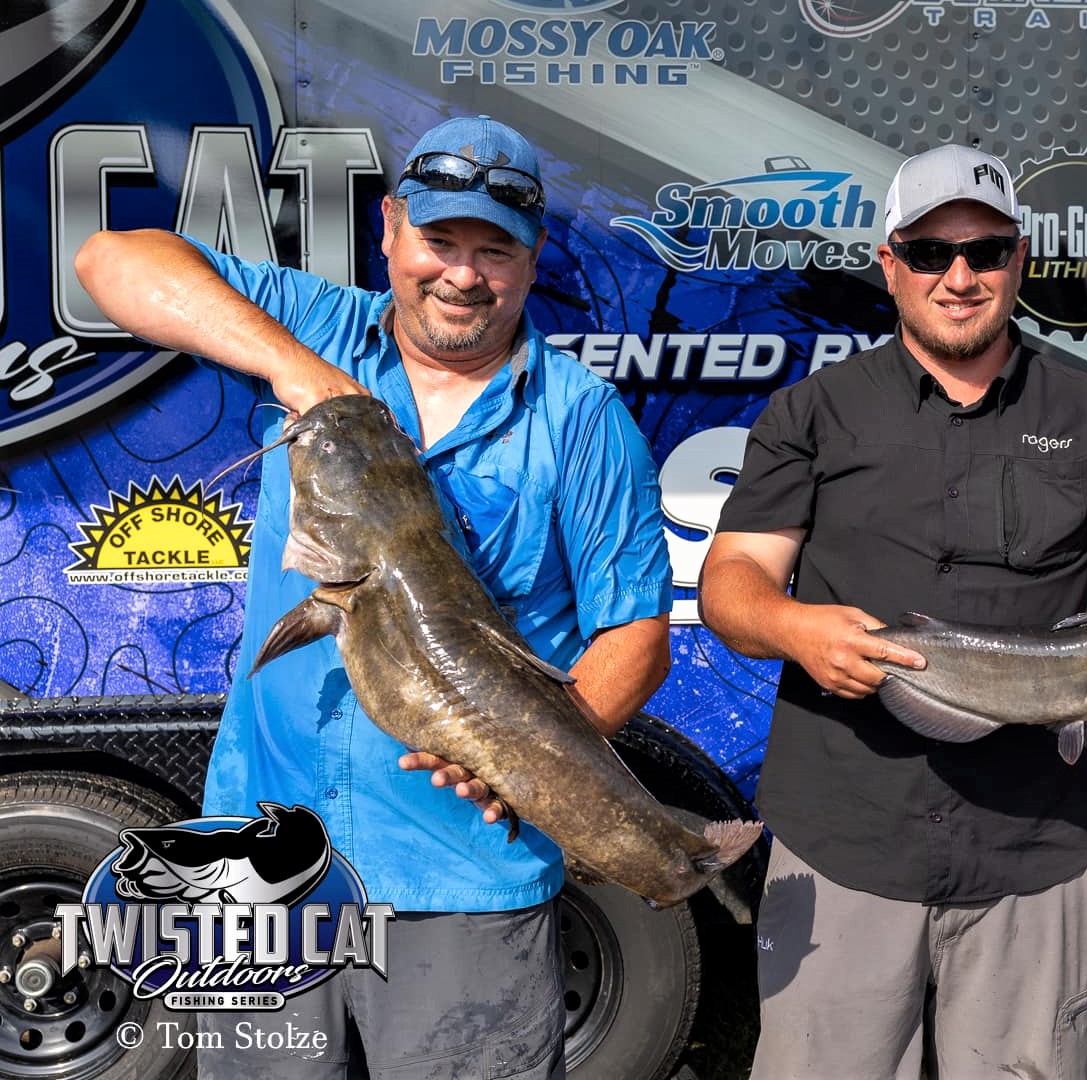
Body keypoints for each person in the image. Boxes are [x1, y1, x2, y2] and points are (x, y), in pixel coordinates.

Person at [75, 115, 673, 1079]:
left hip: (463, 877)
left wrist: (530, 762)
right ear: (390, 229)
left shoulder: (582, 418)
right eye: (439, 242)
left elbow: (636, 635)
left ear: (533, 259)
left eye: (495, 250)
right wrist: (294, 369)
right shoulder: (316, 327)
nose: (463, 275)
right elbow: (112, 257)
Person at [698, 144, 1087, 1079]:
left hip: (1036, 838)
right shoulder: (812, 414)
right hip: (845, 829)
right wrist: (793, 629)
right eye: (931, 253)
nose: (960, 276)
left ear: (1019, 261)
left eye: (985, 251)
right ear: (891, 266)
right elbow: (730, 585)